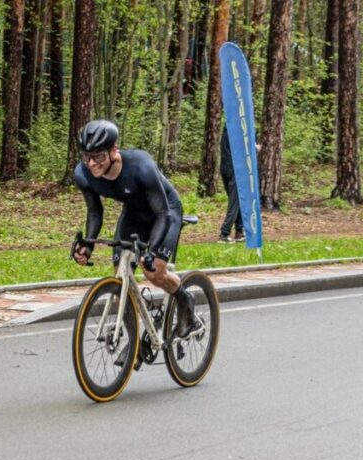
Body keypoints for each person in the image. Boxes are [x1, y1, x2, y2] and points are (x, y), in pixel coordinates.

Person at [70, 119, 201, 339]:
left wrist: (152, 251)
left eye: (98, 156)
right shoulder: (83, 175)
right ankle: (134, 346)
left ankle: (184, 297)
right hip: (134, 214)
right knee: (120, 280)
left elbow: (163, 214)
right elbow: (95, 212)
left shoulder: (141, 166)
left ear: (114, 151)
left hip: (165, 211)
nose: (91, 163)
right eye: (86, 156)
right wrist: (88, 245)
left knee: (154, 272)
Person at [219, 126, 245, 243]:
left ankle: (239, 231)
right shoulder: (239, 132)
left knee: (236, 200)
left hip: (225, 168)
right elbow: (243, 151)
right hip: (236, 170)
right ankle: (224, 233)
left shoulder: (227, 130)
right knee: (234, 203)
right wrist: (255, 148)